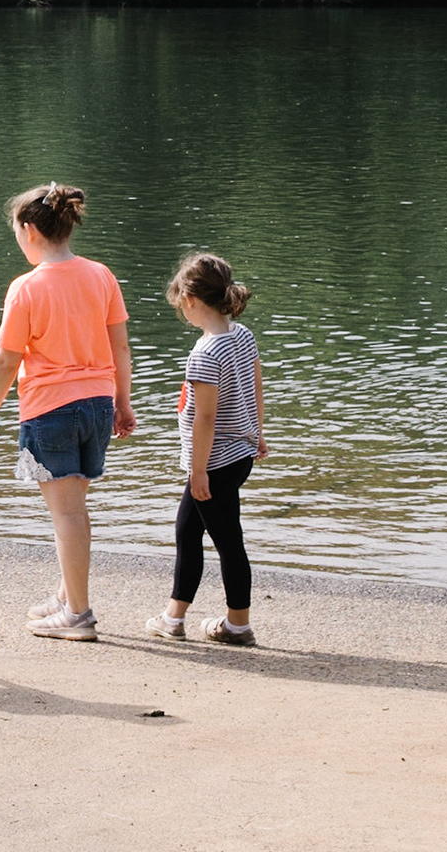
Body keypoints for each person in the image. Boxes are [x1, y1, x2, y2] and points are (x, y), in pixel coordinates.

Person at [0, 182, 136, 642]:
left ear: (30, 230)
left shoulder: (26, 288)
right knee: (75, 509)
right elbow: (120, 348)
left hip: (51, 410)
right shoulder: (101, 275)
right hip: (98, 404)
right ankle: (68, 595)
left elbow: (7, 359)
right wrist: (123, 401)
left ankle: (78, 615)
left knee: (66, 514)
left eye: (16, 232)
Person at [147, 252, 266, 647]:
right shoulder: (241, 335)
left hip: (213, 463)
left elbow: (206, 418)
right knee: (188, 531)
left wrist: (198, 471)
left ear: (191, 300)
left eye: (181, 303)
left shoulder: (205, 354)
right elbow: (256, 385)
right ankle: (174, 617)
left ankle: (237, 625)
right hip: (239, 454)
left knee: (228, 541)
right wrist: (258, 432)